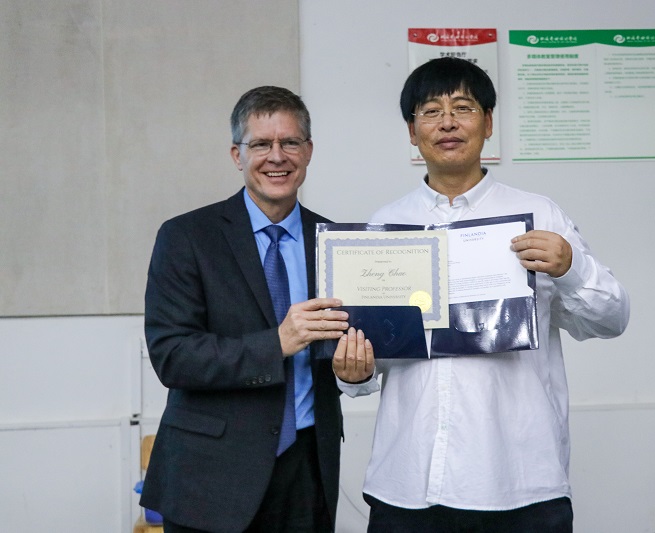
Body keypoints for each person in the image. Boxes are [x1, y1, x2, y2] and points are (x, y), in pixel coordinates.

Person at [332, 57, 630, 532]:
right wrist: (355, 371)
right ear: (412, 131)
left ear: (488, 123)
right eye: (431, 111)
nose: (447, 122)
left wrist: (571, 266)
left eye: (463, 108)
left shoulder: (539, 214)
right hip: (408, 482)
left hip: (519, 483)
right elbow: (377, 355)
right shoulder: (386, 226)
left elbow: (611, 320)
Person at [142, 86, 364, 533]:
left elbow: (341, 349)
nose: (276, 156)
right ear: (236, 155)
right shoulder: (186, 237)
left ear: (308, 151)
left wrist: (353, 373)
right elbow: (173, 356)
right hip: (210, 477)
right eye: (261, 144)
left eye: (290, 142)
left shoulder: (338, 243)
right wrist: (277, 342)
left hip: (307, 472)